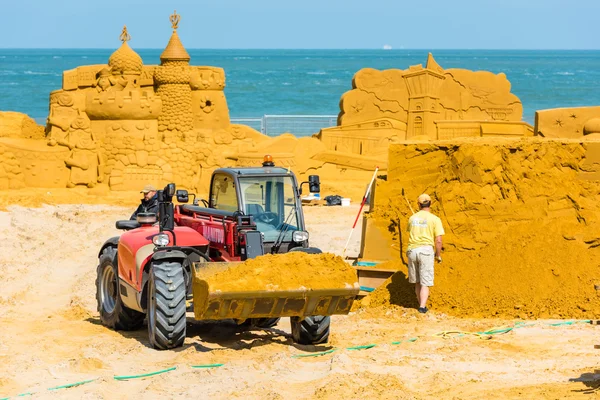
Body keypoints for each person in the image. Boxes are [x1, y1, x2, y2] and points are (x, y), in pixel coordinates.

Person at [406, 193, 445, 314]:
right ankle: (422, 307)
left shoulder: (412, 218)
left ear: (418, 204)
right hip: (425, 251)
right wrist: (437, 255)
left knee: (417, 281)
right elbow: (438, 240)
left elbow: (409, 231)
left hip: (412, 250)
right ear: (430, 204)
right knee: (425, 282)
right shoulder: (435, 219)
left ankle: (420, 305)